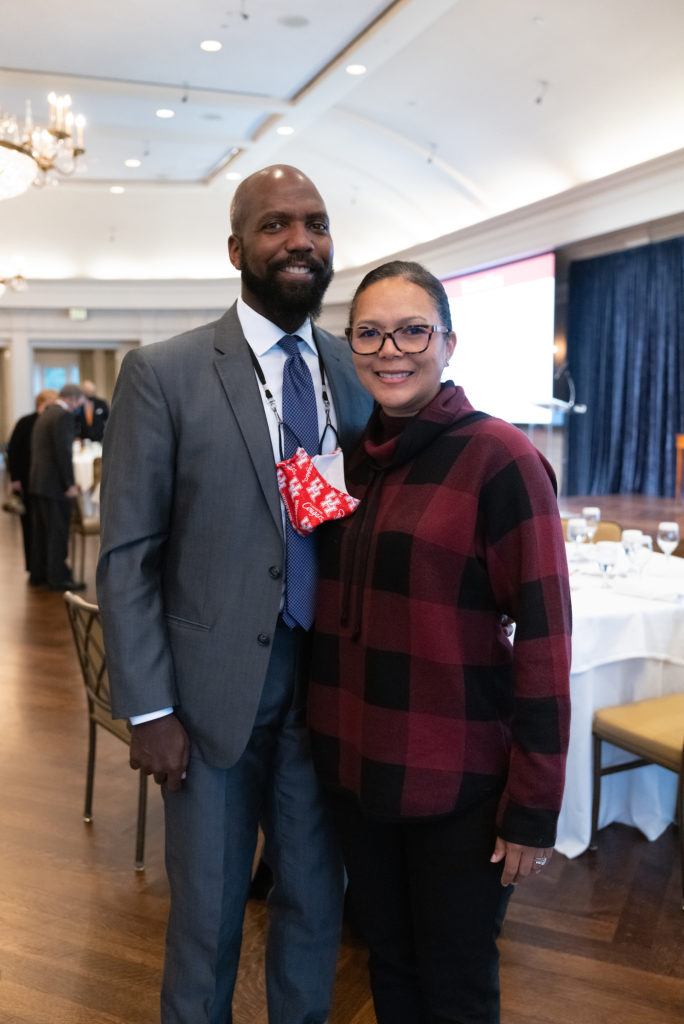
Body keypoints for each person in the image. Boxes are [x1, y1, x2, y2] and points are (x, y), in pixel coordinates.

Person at [96, 165, 372, 1024]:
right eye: (275, 225)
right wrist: (148, 710)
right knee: (209, 919)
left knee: (314, 905)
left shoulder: (353, 369)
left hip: (328, 693)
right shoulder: (164, 373)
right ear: (235, 248)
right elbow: (128, 557)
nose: (300, 241)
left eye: (317, 224)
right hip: (208, 701)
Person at [308, 260, 572, 1024]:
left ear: (448, 343)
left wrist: (532, 807)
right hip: (358, 771)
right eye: (370, 333)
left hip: (456, 781)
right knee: (387, 963)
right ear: (352, 349)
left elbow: (546, 643)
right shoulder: (352, 462)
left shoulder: (501, 459)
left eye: (413, 330)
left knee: (455, 984)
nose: (391, 349)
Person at [28, 383, 86, 591]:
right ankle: (58, 578)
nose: (79, 407)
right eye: (80, 402)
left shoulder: (47, 413)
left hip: (39, 482)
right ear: (73, 399)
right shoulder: (62, 415)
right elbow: (63, 453)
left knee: (42, 533)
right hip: (54, 485)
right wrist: (69, 484)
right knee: (57, 532)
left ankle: (41, 573)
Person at [6, 389, 58, 572]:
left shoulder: (52, 422)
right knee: (29, 525)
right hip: (26, 479)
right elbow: (13, 451)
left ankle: (45, 564)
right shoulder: (26, 421)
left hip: (43, 481)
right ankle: (33, 566)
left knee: (45, 526)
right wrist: (15, 478)